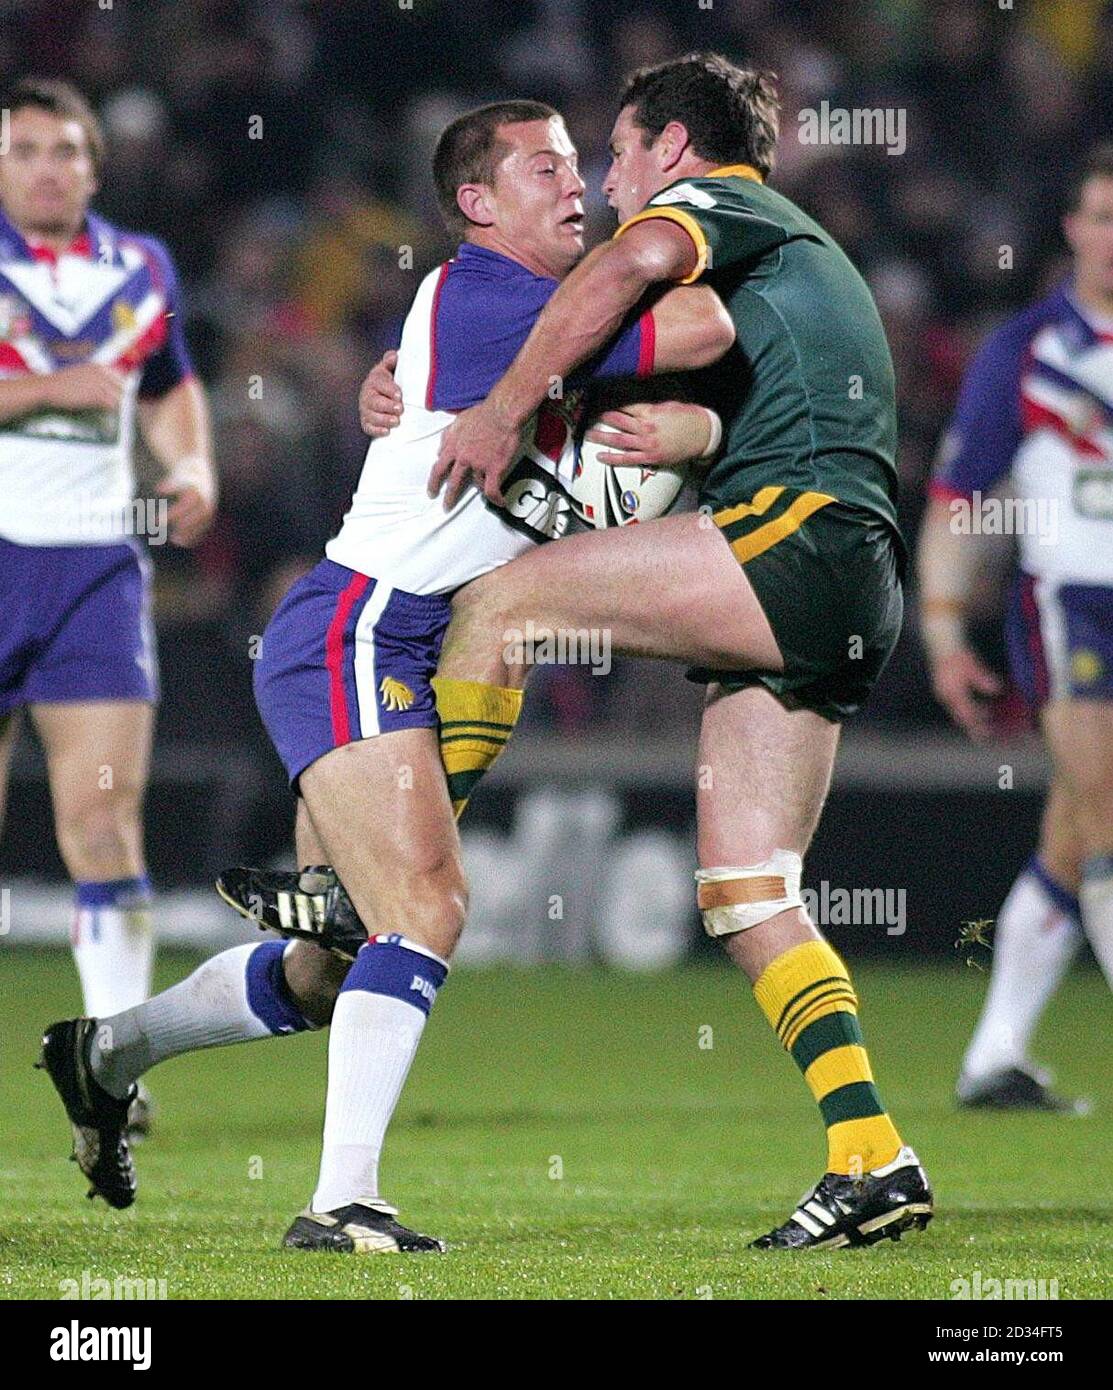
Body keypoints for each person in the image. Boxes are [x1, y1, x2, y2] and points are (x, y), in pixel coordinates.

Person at [38, 99, 732, 1250]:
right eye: (547, 167)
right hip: (362, 627)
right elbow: (700, 328)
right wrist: (717, 242)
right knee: (428, 906)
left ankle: (104, 1052)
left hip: (411, 642)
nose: (578, 186)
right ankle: (341, 1201)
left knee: (326, 969)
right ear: (476, 205)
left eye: (578, 164)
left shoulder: (514, 316)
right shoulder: (495, 296)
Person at [292, 51, 934, 1251]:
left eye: (622, 152)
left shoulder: (716, 203)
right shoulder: (772, 256)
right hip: (845, 578)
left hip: (795, 535)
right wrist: (430, 380)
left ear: (676, 152)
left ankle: (360, 874)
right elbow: (711, 352)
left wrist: (499, 402)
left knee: (506, 606)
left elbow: (635, 274)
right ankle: (871, 1155)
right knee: (749, 895)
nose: (608, 178)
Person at [0, 78, 215, 1133]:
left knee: (102, 818)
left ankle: (112, 1061)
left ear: (93, 166)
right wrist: (48, 387)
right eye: (27, 148)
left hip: (93, 568)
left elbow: (170, 383)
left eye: (66, 151)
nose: (48, 167)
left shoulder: (140, 267)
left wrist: (194, 464)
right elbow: (81, 386)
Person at [919, 143, 1113, 1112]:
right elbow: (957, 502)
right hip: (1072, 604)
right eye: (1102, 217)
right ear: (1073, 230)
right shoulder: (1028, 349)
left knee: (1077, 830)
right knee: (1109, 807)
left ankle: (994, 1056)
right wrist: (947, 632)